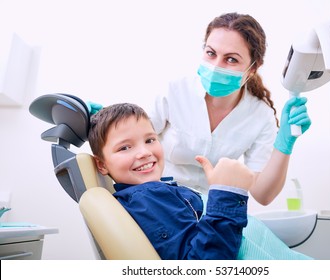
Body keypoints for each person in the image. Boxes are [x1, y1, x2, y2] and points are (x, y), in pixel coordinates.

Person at [88, 103, 311, 260]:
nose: (144, 152)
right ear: (102, 165)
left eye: (150, 139)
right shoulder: (148, 198)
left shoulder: (156, 191)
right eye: (125, 147)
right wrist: (226, 194)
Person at [148, 12, 311, 204]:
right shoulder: (174, 91)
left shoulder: (260, 115)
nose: (216, 66)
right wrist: (104, 125)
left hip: (211, 212)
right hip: (159, 201)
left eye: (231, 59)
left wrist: (284, 145)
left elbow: (263, 195)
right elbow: (132, 143)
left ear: (252, 68)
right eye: (211, 53)